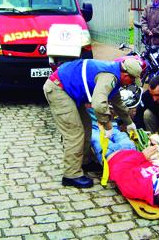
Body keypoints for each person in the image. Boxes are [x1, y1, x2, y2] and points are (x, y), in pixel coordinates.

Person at [43, 58, 142, 189]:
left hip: (69, 91)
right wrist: (107, 125)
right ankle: (71, 174)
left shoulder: (115, 75)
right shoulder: (110, 77)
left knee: (86, 126)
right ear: (125, 75)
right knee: (74, 132)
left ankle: (84, 162)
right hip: (58, 89)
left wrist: (129, 122)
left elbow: (116, 100)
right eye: (132, 80)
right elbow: (99, 104)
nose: (131, 83)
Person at [89, 109, 159, 210]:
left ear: (157, 192)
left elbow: (119, 169)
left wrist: (142, 157)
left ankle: (87, 108)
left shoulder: (136, 189)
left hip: (111, 153)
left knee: (93, 130)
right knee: (112, 128)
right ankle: (97, 109)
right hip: (129, 148)